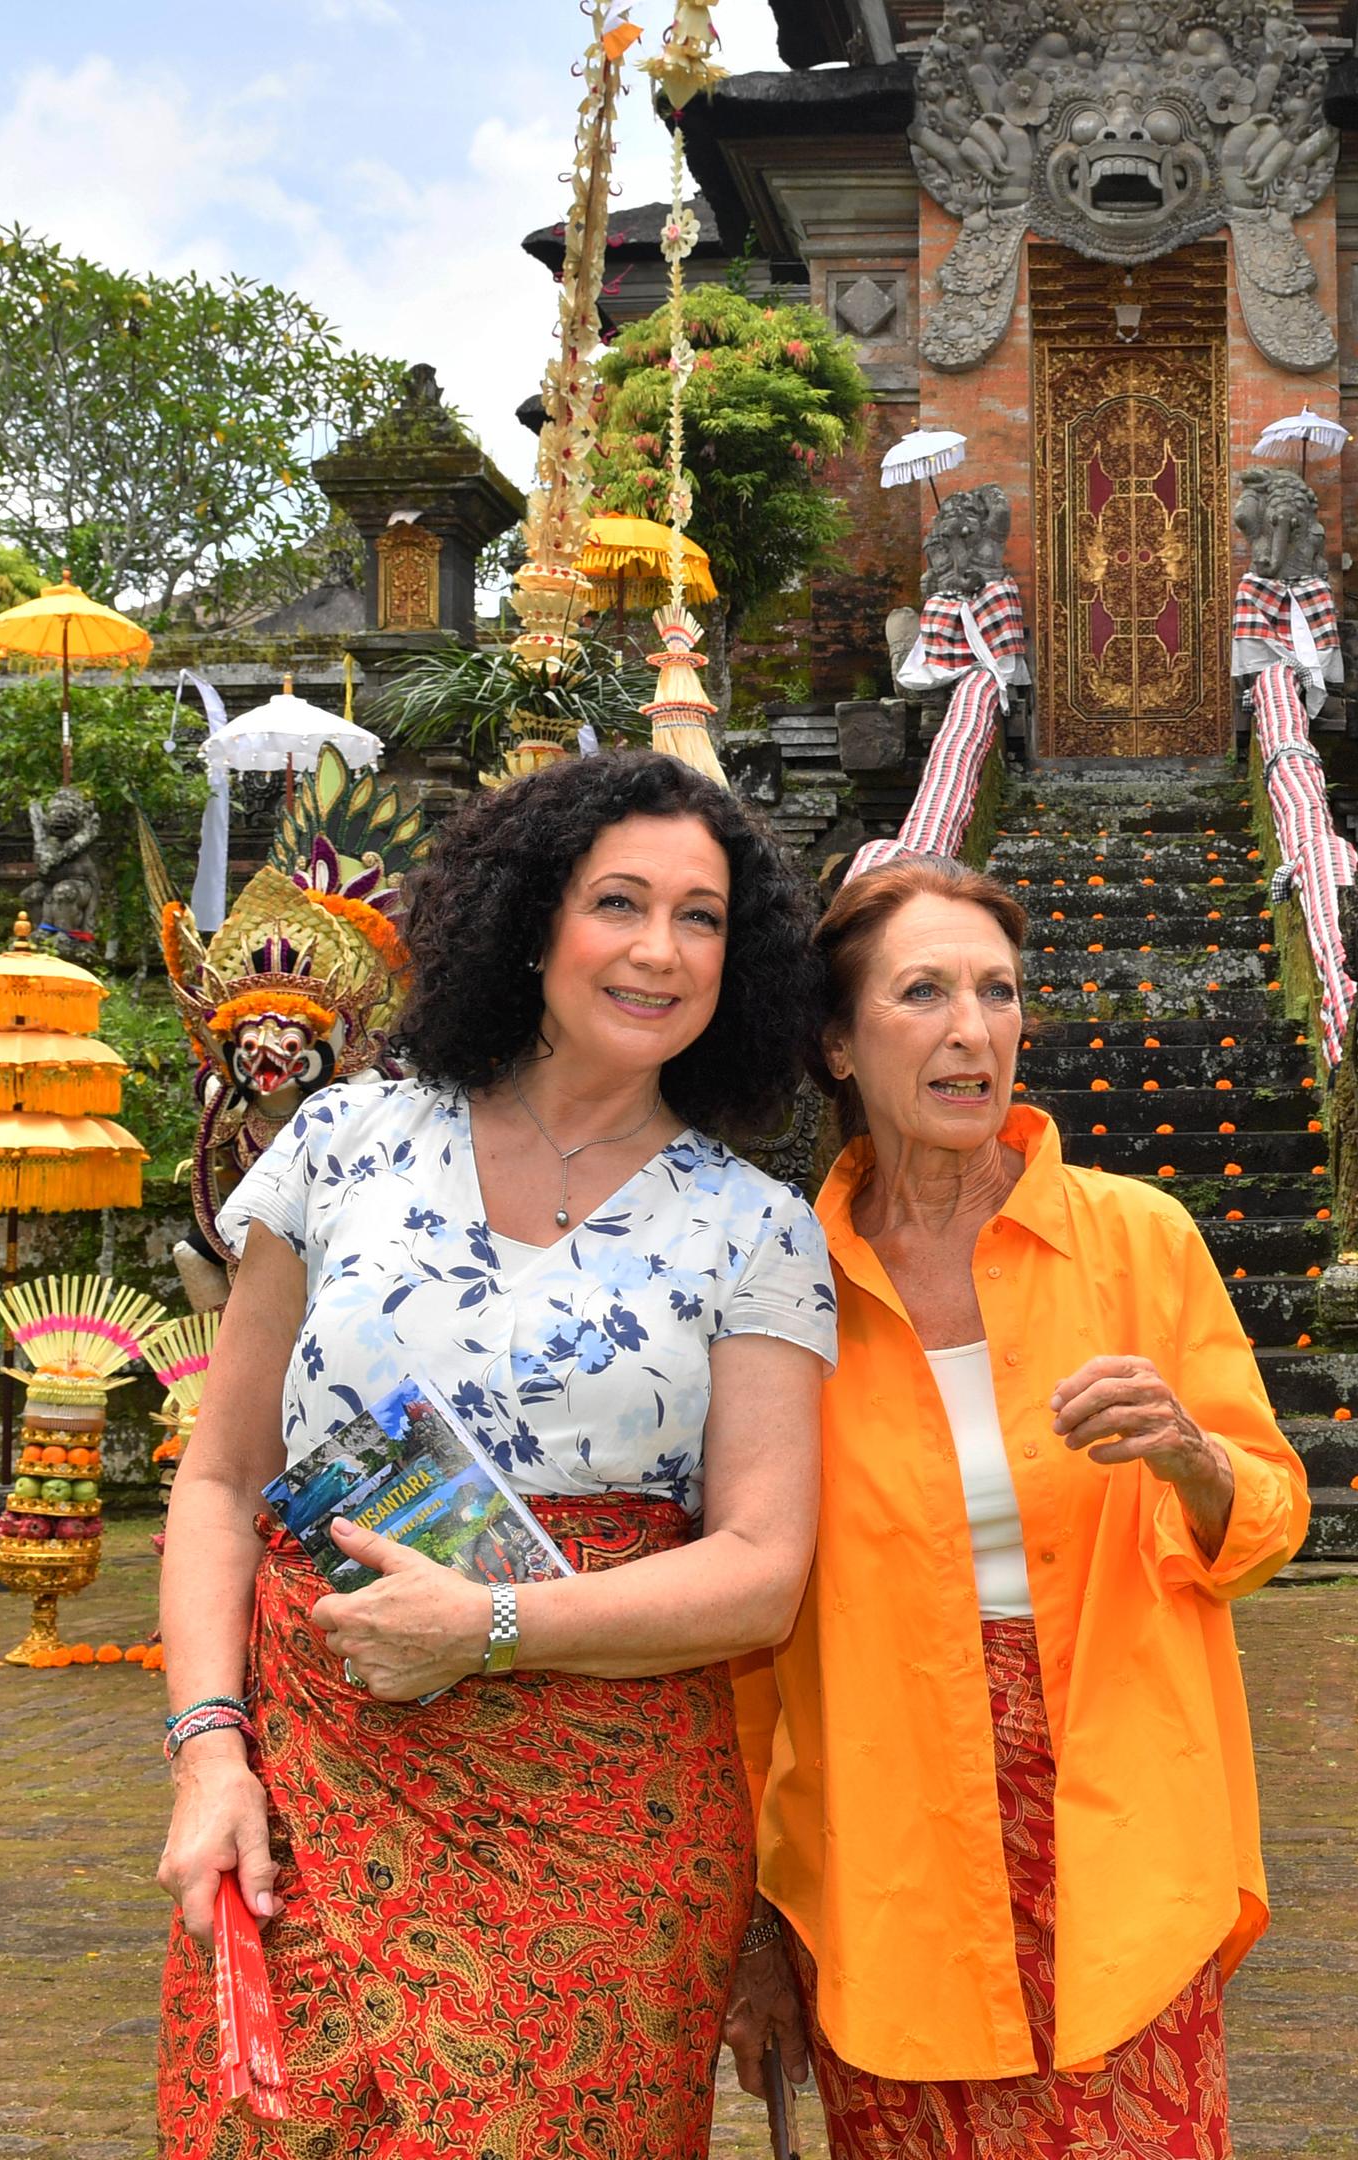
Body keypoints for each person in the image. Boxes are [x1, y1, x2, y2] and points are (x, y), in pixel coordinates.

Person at [150, 752, 837, 2157]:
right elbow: (220, 1480)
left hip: (603, 1824)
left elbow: (763, 1576)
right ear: (531, 922)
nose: (659, 950)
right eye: (621, 903)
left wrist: (493, 1626)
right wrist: (211, 1760)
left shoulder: (754, 1227)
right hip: (316, 1785)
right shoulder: (345, 1146)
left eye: (701, 918)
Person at [723, 856, 1308, 2158]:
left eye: (997, 991)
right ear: (836, 1040)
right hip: (891, 1859)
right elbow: (747, 1648)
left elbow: (1268, 1519)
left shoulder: (1138, 1242)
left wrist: (1190, 1460)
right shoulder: (776, 1291)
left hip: (1122, 1830)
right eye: (922, 992)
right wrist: (759, 1932)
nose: (970, 1029)